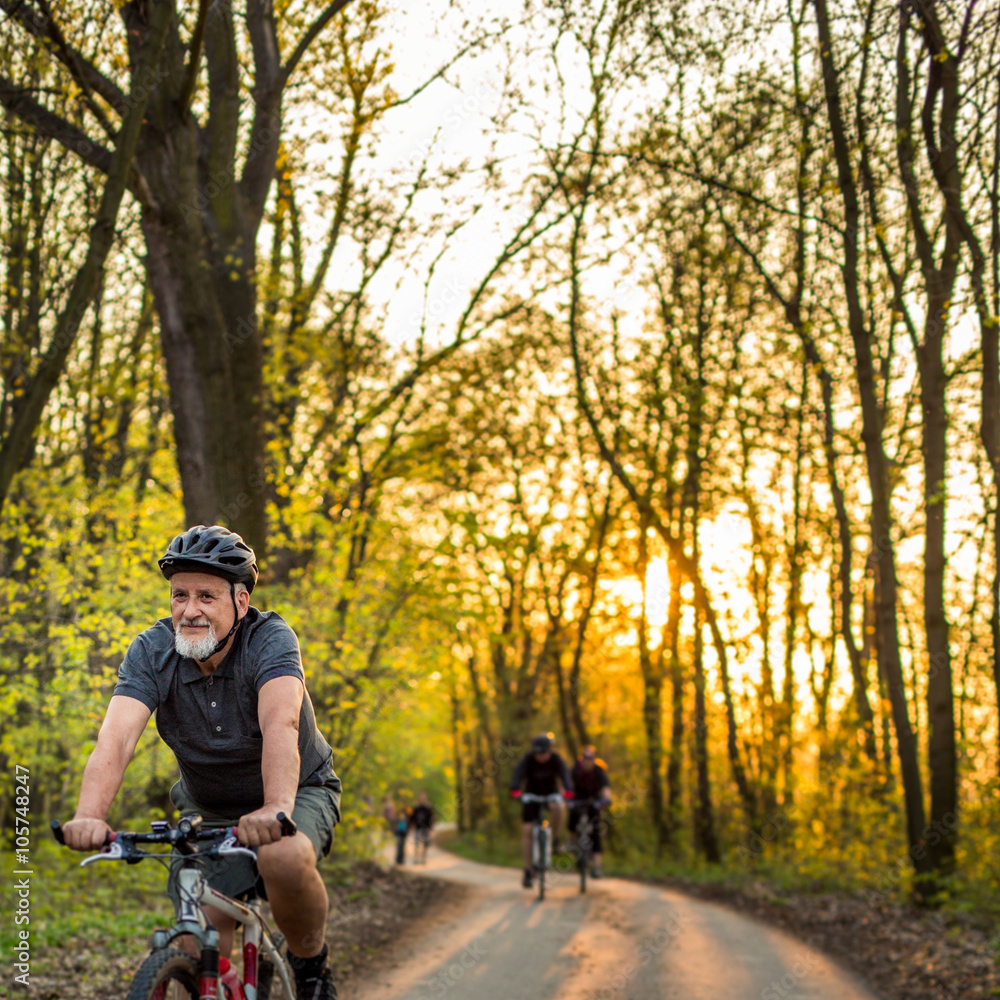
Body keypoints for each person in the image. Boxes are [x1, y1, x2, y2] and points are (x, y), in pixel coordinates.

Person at [60, 525, 341, 1000]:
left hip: (296, 791)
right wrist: (89, 815)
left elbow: (282, 726)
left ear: (241, 601)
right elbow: (116, 740)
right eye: (180, 595)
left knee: (283, 854)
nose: (189, 610)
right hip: (207, 806)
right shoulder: (151, 651)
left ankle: (310, 966)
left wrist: (275, 808)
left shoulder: (270, 640)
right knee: (198, 945)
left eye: (206, 596)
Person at [509, 732, 573, 889]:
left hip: (551, 794)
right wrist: (515, 789)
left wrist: (569, 790)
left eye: (543, 753)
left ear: (549, 750)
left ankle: (556, 839)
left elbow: (565, 775)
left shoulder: (556, 759)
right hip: (532, 795)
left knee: (558, 806)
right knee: (527, 829)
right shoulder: (528, 759)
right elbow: (518, 775)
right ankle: (528, 869)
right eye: (537, 753)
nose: (540, 756)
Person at [569, 746, 612, 878]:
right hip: (577, 801)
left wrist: (606, 799)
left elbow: (605, 788)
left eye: (590, 758)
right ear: (581, 759)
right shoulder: (575, 770)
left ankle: (596, 868)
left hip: (594, 802)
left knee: (596, 831)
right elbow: (566, 785)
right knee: (572, 817)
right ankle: (572, 842)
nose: (587, 761)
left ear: (594, 759)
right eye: (585, 758)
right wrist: (566, 797)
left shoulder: (599, 771)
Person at [409, 791, 434, 864]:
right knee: (416, 844)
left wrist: (431, 828)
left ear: (425, 798)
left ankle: (424, 859)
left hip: (426, 828)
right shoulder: (416, 807)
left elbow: (431, 818)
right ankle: (416, 859)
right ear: (419, 798)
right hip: (418, 828)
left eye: (423, 798)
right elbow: (412, 818)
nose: (422, 799)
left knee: (425, 845)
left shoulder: (428, 807)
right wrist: (411, 827)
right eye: (421, 798)